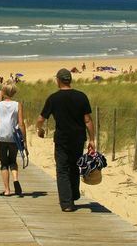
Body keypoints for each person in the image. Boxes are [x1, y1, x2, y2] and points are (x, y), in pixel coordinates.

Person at [35, 68, 95, 212]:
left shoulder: (53, 98)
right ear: (70, 80)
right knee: (75, 166)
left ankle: (67, 203)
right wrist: (92, 139)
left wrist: (40, 129)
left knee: (62, 169)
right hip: (79, 138)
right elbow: (88, 120)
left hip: (62, 139)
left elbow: (41, 118)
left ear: (59, 80)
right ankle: (73, 194)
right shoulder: (81, 96)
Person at [0, 81, 26, 196]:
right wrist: (24, 140)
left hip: (1, 136)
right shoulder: (18, 104)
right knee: (13, 160)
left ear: (3, 92)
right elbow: (21, 123)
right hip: (14, 137)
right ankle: (15, 179)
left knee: (4, 163)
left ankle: (7, 190)